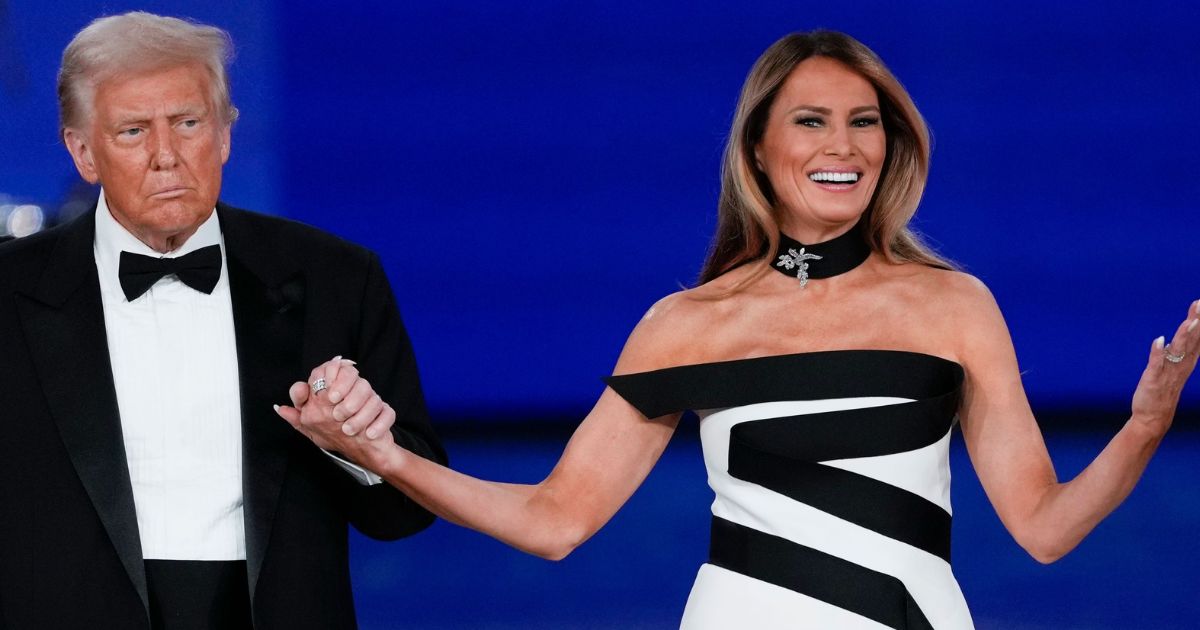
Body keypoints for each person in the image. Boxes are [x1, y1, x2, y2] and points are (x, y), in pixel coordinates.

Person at [277, 31, 1197, 629]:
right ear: (759, 146)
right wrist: (385, 457)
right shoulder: (688, 324)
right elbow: (555, 523)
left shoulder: (955, 306)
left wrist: (1145, 427)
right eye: (811, 121)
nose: (843, 146)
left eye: (864, 122)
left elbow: (1044, 529)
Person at [0, 12, 445, 630]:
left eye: (188, 123)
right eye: (133, 131)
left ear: (225, 134)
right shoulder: (10, 293)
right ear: (83, 153)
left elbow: (408, 512)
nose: (166, 156)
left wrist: (360, 449)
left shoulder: (336, 280)